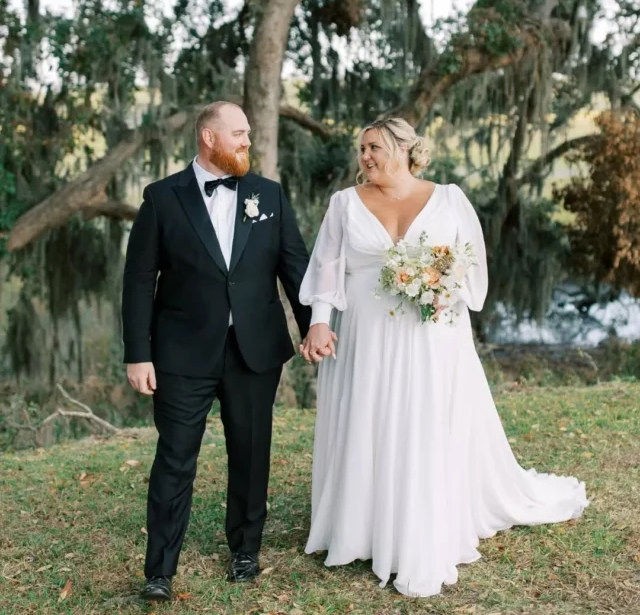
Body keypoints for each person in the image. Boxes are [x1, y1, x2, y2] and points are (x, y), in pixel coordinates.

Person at [298, 117, 588, 598]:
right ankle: (364, 526)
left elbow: (470, 270)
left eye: (374, 146)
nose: (364, 156)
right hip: (368, 334)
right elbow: (328, 266)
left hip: (432, 336)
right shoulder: (345, 204)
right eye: (361, 148)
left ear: (405, 148)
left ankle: (423, 520)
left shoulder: (449, 199)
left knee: (424, 423)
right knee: (371, 418)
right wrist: (320, 320)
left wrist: (442, 290)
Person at [122, 101, 312, 602]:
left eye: (248, 132)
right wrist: (137, 354)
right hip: (180, 354)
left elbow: (295, 265)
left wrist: (314, 327)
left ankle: (245, 550)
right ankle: (159, 569)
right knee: (175, 457)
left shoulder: (266, 194)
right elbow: (139, 280)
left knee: (250, 455)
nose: (248, 141)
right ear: (209, 138)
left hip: (254, 349)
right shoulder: (163, 198)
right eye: (239, 133)